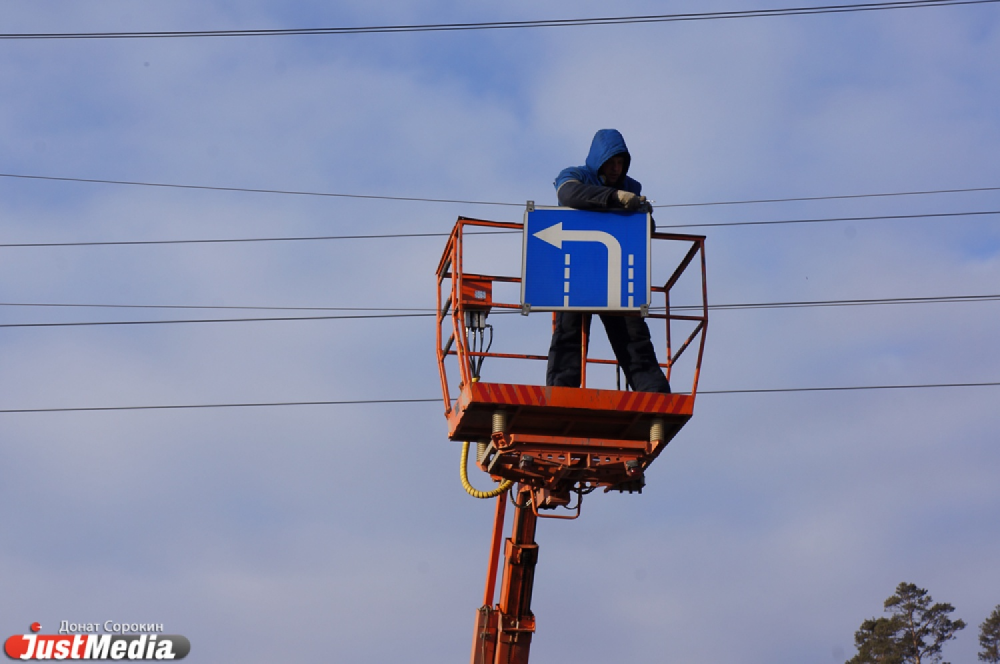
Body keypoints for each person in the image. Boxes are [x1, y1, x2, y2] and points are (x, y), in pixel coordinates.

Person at [545, 129, 670, 393]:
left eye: (620, 162)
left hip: (616, 273)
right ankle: (561, 393)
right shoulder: (575, 175)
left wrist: (644, 215)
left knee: (633, 334)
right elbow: (568, 195)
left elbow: (644, 229)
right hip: (577, 270)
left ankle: (654, 393)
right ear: (598, 160)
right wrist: (614, 198)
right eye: (611, 162)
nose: (616, 168)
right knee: (570, 332)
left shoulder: (632, 187)